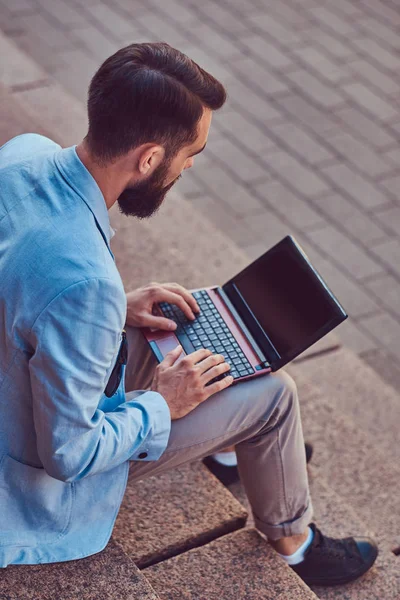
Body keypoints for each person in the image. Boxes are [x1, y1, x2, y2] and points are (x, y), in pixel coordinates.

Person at [0, 42, 377, 586]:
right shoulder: (85, 285)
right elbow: (70, 455)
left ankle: (229, 449)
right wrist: (163, 403)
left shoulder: (22, 154)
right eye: (190, 152)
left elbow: (25, 281)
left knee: (184, 335)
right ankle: (295, 543)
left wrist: (120, 308)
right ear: (150, 157)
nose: (191, 165)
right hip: (32, 479)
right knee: (274, 396)